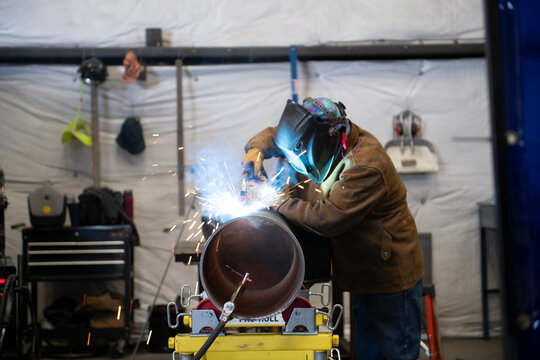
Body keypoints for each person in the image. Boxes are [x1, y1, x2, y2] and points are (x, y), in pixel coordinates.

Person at [242, 97, 424, 360]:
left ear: (327, 141)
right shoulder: (323, 138)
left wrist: (275, 200)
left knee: (393, 352)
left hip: (389, 276)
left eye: (298, 154)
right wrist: (255, 150)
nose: (294, 161)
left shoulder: (365, 165)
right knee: (367, 351)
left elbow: (328, 218)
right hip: (362, 267)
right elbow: (277, 135)